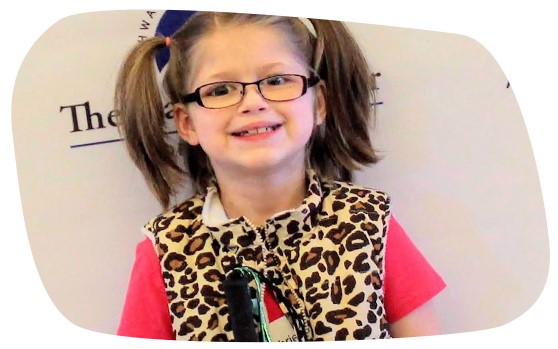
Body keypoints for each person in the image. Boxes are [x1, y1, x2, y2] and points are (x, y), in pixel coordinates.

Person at [114, 11, 446, 341]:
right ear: (186, 123)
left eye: (275, 80)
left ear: (318, 103)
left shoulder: (369, 222)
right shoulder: (167, 252)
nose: (252, 102)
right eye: (220, 90)